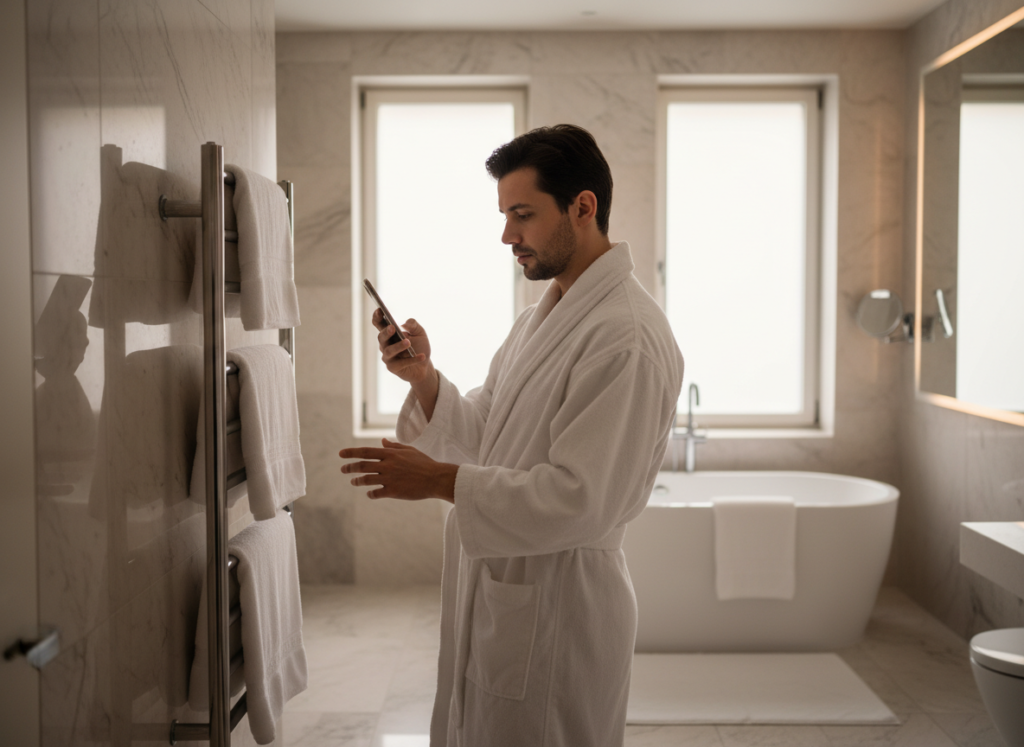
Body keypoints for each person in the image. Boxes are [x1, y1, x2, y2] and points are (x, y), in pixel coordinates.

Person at [339, 124, 684, 747]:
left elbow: (581, 498)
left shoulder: (624, 336)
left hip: (564, 606)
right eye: (504, 215)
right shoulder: (540, 320)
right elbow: (491, 433)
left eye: (522, 215)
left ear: (583, 207)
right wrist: (424, 380)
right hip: (514, 592)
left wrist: (441, 481)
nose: (507, 236)